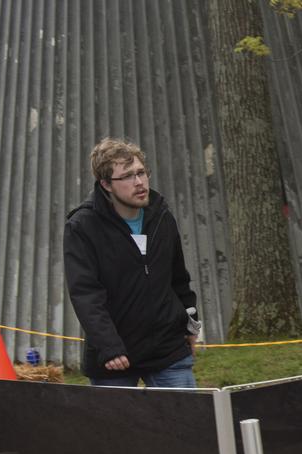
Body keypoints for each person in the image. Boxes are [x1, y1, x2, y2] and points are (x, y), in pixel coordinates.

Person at [64, 138, 201, 388]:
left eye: (141, 173)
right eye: (127, 176)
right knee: (120, 428)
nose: (139, 183)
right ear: (106, 184)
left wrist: (190, 326)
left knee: (185, 425)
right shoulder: (82, 227)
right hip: (116, 357)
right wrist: (109, 347)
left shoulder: (161, 216)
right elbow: (86, 295)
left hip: (167, 350)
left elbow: (179, 279)